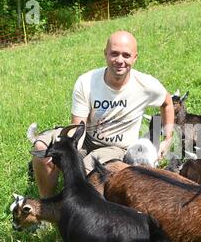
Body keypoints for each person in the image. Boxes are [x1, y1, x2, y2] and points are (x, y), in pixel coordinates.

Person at [32, 30, 174, 198]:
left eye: (126, 55)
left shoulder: (146, 84)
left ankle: (73, 205)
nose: (120, 60)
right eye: (114, 54)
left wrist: (168, 138)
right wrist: (68, 154)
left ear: (135, 58)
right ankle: (46, 204)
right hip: (84, 136)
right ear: (105, 54)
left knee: (86, 171)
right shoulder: (87, 82)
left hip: (115, 147)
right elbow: (78, 127)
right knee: (42, 149)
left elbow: (167, 103)